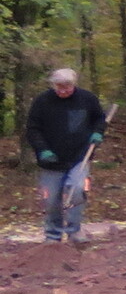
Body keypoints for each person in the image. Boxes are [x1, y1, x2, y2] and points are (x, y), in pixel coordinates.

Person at [24, 67, 107, 245]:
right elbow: (32, 129)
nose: (63, 91)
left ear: (73, 84)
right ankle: (53, 235)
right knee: (51, 198)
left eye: (67, 87)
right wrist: (42, 149)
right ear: (53, 85)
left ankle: (74, 231)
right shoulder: (42, 101)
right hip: (50, 160)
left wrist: (98, 133)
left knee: (77, 190)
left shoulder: (87, 99)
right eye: (59, 87)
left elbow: (99, 119)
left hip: (79, 157)